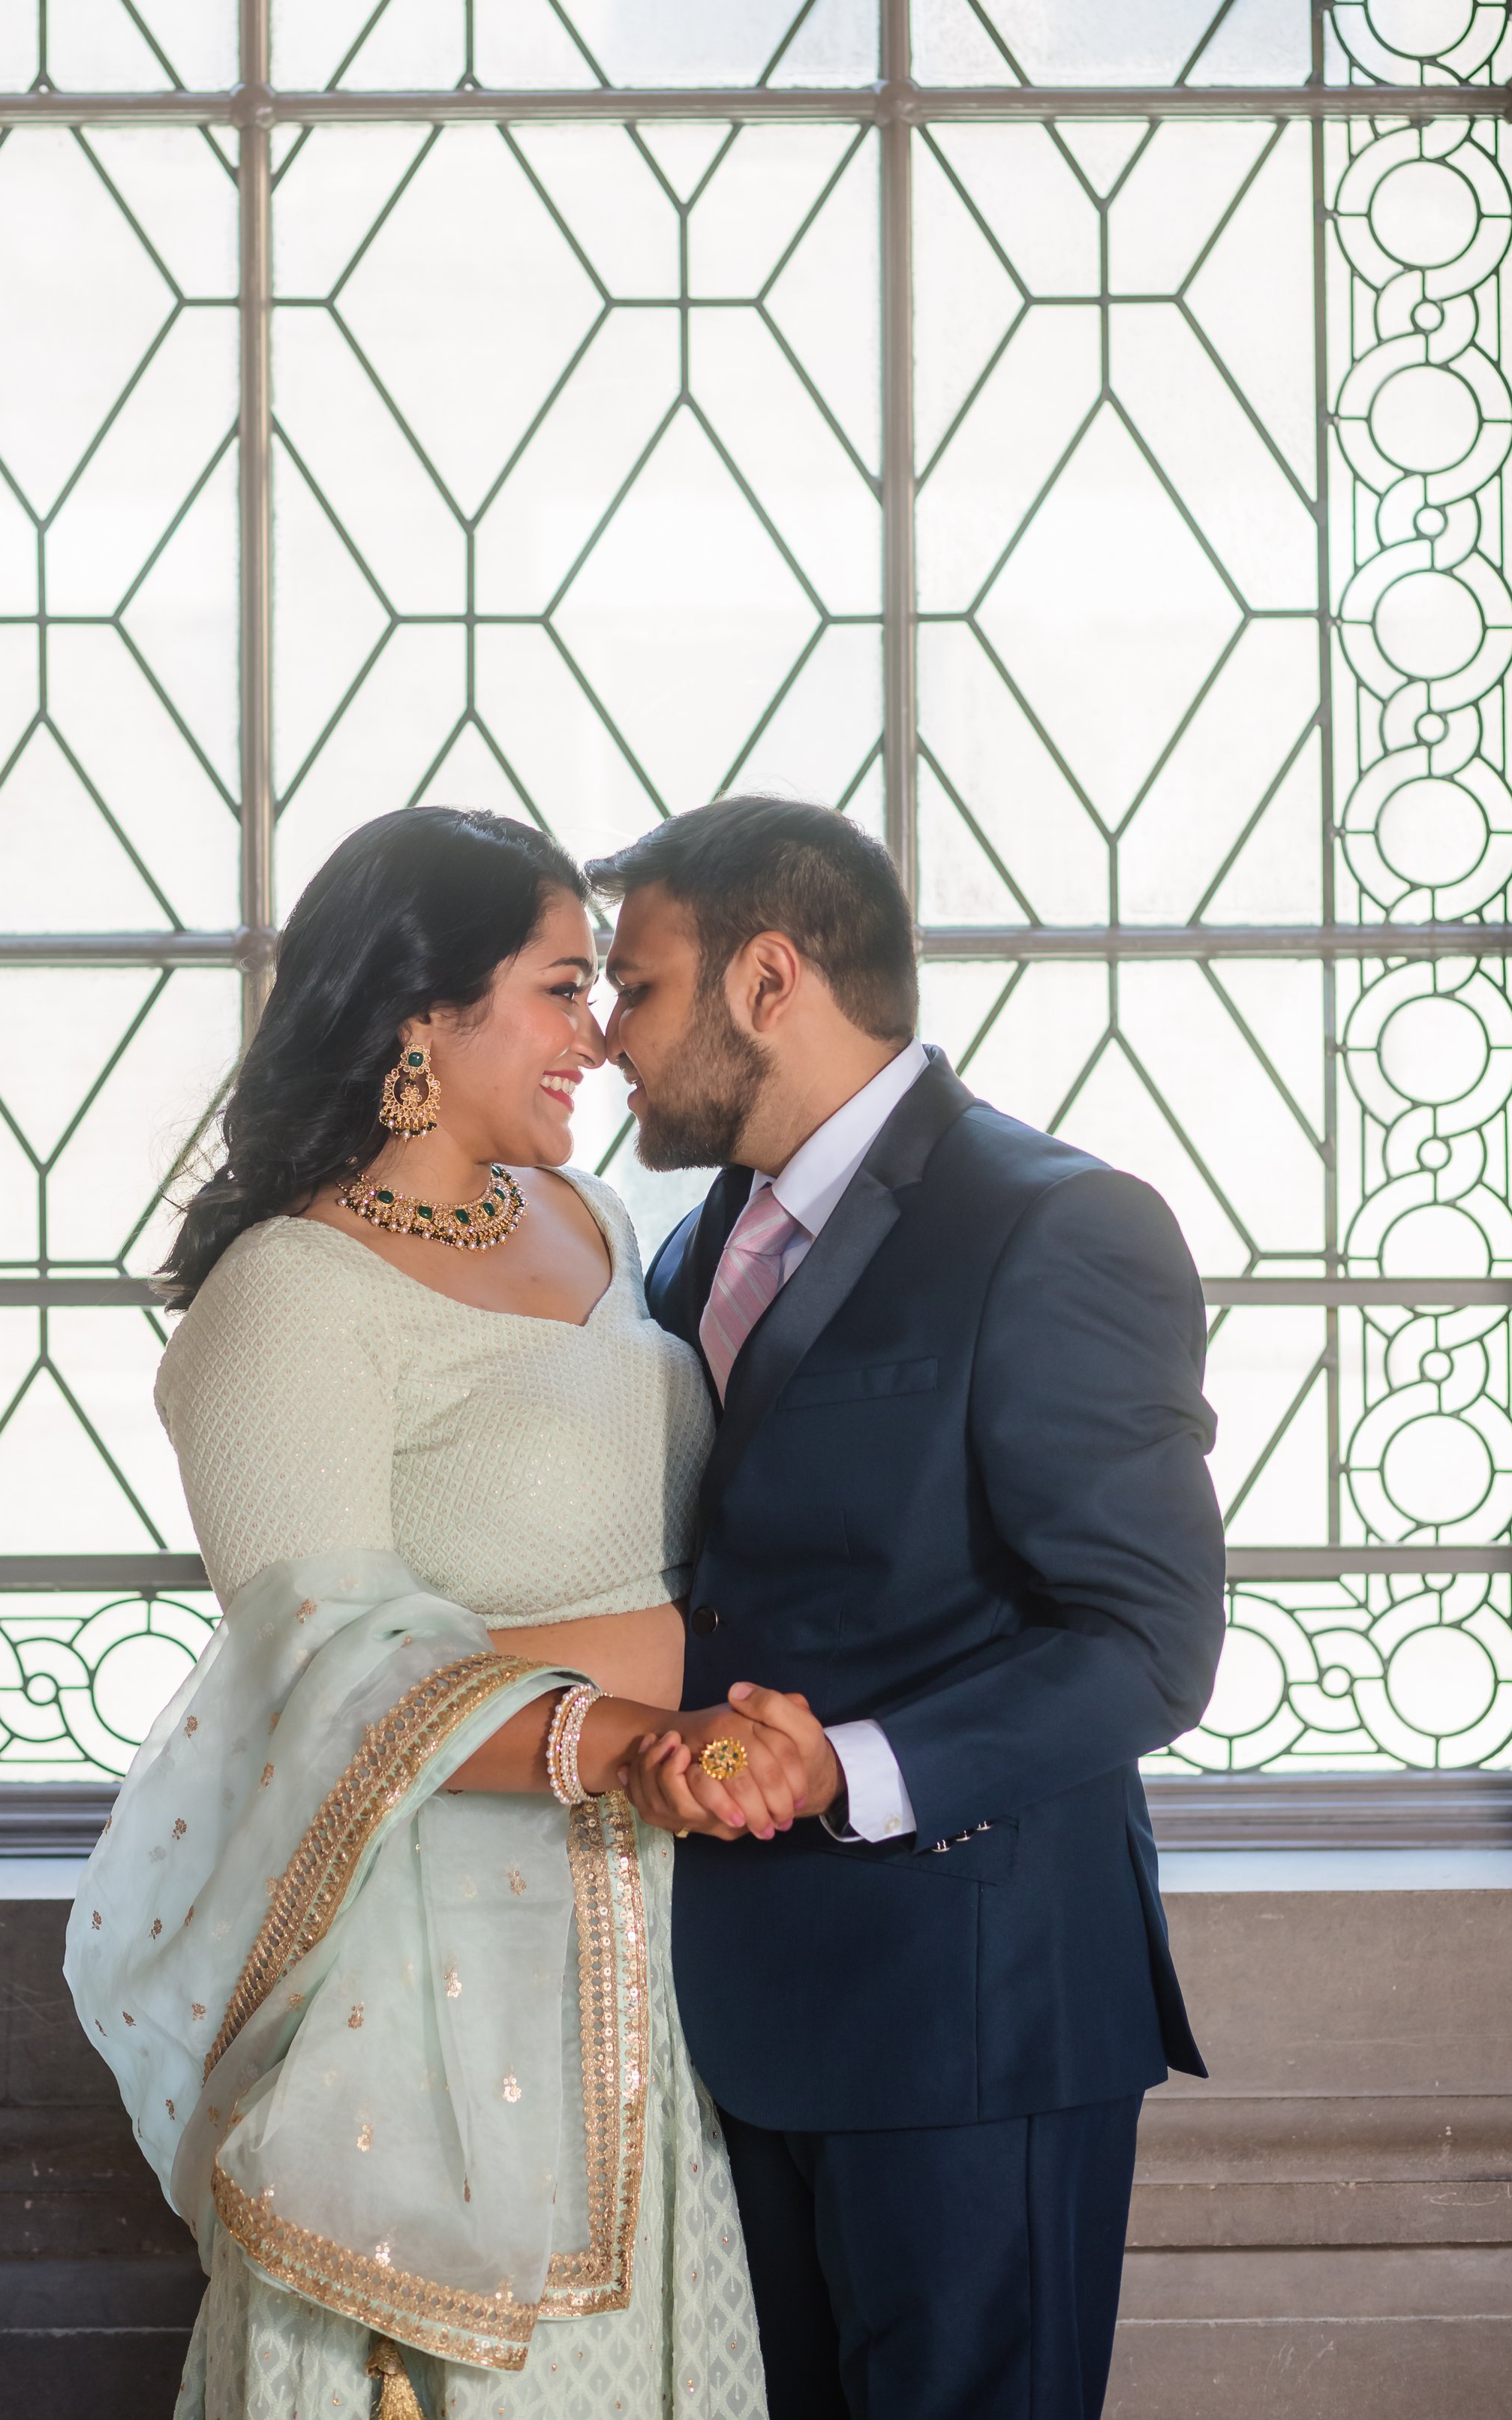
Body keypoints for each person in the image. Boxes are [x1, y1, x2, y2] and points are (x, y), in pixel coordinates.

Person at [66, 807, 783, 2420]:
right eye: (553, 988)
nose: (598, 1036)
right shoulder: (291, 1295)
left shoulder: (598, 1225)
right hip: (446, 1981)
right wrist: (640, 1736)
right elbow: (325, 1687)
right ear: (418, 1016)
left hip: (670, 1929)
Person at [590, 797, 1227, 2420]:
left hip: (973, 2015)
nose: (605, 1036)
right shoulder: (688, 1255)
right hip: (728, 2012)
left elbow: (1148, 1643)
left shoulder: (1053, 1227)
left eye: (636, 986)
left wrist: (848, 1767)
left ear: (768, 978)